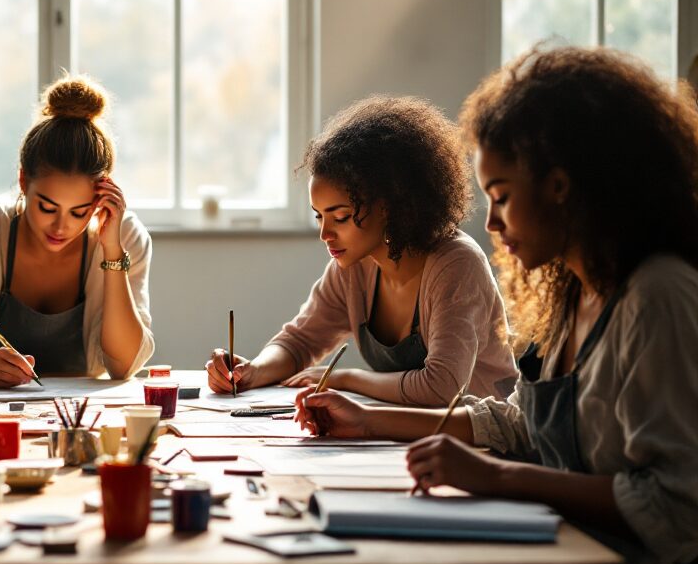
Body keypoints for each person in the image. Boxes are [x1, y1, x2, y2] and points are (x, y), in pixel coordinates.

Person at [285, 46, 698, 564]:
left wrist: (496, 477)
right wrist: (371, 419)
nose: (493, 220)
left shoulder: (658, 297)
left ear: (561, 185)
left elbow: (672, 510)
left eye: (502, 196)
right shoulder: (562, 292)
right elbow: (517, 421)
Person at [206, 96, 518, 405]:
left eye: (340, 217)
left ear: (388, 206)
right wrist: (252, 371)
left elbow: (441, 388)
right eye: (319, 216)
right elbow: (300, 341)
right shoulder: (355, 267)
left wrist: (344, 378)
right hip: (406, 436)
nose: (325, 233)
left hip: (477, 439)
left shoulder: (455, 264)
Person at [0, 75, 155, 386]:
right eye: (46, 207)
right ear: (23, 182)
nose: (61, 226)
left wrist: (113, 252)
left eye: (79, 212)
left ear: (101, 198)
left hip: (78, 417)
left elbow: (124, 366)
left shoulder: (125, 237)